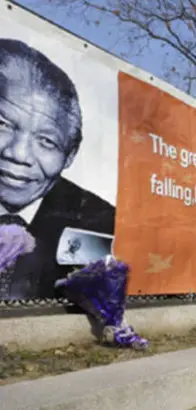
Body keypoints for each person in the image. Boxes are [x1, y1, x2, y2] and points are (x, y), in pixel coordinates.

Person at [0, 38, 114, 300]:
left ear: (70, 155)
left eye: (47, 141)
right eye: (3, 124)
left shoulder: (98, 221)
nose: (18, 154)